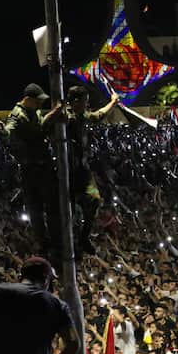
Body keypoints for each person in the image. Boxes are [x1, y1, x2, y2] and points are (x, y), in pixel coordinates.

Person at [0, 83, 63, 254]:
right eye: (38, 101)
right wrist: (1, 130)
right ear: (28, 99)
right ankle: (42, 240)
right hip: (31, 168)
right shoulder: (17, 115)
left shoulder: (34, 111)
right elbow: (8, 132)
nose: (40, 104)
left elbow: (41, 127)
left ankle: (54, 236)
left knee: (52, 203)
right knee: (36, 207)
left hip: (43, 165)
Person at [65, 85, 118, 255]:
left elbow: (98, 115)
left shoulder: (82, 116)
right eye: (84, 102)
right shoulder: (65, 118)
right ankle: (70, 241)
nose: (87, 105)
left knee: (95, 200)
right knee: (68, 208)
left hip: (82, 168)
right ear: (74, 101)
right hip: (67, 170)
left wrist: (113, 102)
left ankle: (83, 237)